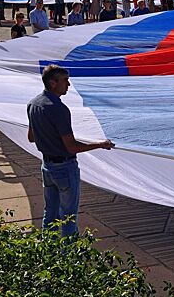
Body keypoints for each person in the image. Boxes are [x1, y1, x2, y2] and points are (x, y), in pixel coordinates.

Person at [27, 65, 114, 236]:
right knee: (68, 217)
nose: (68, 85)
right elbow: (71, 147)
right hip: (64, 167)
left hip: (47, 165)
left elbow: (31, 137)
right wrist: (100, 144)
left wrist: (48, 136)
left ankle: (48, 251)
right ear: (53, 83)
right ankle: (69, 256)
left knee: (50, 213)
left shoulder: (34, 103)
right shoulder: (58, 109)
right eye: (65, 80)